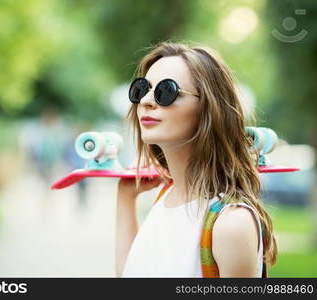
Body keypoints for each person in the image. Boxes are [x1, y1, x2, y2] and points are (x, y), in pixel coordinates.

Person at [116, 42, 277, 278]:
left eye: (166, 91)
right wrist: (125, 199)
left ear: (209, 109)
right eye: (142, 89)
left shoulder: (231, 223)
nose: (146, 101)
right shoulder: (166, 197)